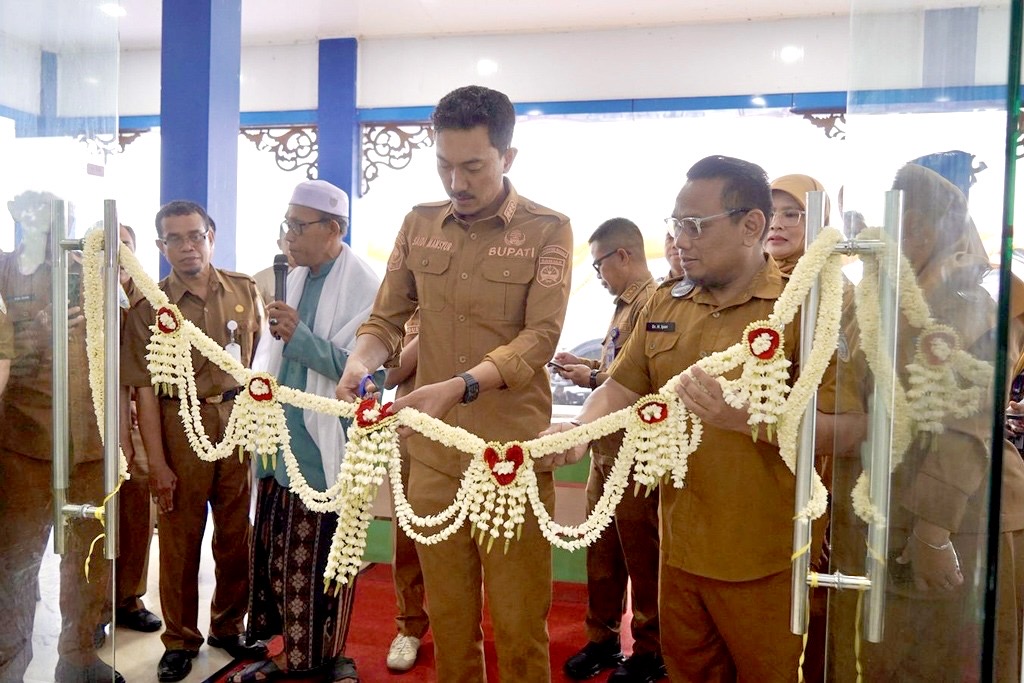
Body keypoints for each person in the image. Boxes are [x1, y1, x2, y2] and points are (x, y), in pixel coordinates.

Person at [542, 156, 855, 682]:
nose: (679, 240)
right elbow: (622, 385)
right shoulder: (668, 301)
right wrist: (579, 431)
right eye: (675, 224)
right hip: (679, 553)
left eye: (694, 226)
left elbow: (850, 430)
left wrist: (755, 420)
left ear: (750, 226)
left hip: (769, 560)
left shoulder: (807, 307)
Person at [335, 84, 573, 682]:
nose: (456, 182)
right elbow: (386, 319)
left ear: (507, 157)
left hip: (510, 459)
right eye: (444, 165)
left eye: (473, 166)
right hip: (433, 458)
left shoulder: (548, 230)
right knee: (448, 617)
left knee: (519, 624)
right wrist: (361, 361)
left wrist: (460, 385)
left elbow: (540, 337)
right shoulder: (419, 225)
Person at [829, 163, 1024, 682]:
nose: (861, 239)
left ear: (916, 228)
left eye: (874, 225)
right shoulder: (880, 300)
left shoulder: (968, 307)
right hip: (888, 510)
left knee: (948, 663)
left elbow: (969, 425)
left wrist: (932, 532)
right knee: (887, 660)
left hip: (957, 519)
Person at [231, 180, 380, 683]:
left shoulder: (366, 287)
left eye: (298, 226)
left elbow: (370, 377)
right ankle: (293, 654)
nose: (288, 235)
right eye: (287, 224)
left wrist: (302, 337)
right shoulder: (291, 279)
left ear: (333, 229)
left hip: (325, 452)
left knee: (321, 565)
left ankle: (319, 659)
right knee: (279, 561)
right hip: (280, 449)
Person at [121, 200, 265, 682]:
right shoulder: (150, 306)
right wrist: (157, 464)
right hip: (179, 423)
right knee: (180, 538)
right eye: (175, 239)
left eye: (195, 235)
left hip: (236, 421)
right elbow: (143, 391)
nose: (188, 246)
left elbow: (258, 360)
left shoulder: (243, 290)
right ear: (161, 246)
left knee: (235, 534)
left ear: (211, 236)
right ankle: (181, 639)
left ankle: (229, 625)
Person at [0, 190, 124, 682]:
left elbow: (117, 350)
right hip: (25, 442)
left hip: (89, 443)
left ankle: (78, 656)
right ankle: (10, 665)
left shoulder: (88, 272)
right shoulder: (4, 272)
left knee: (87, 559)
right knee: (16, 563)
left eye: (55, 218)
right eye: (33, 217)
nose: (45, 227)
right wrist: (34, 334)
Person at [554, 218, 664, 682]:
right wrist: (586, 366)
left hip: (637, 457)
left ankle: (651, 650)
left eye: (599, 264)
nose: (597, 274)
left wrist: (593, 378)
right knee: (601, 556)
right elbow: (617, 367)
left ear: (623, 255)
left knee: (643, 558)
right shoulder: (623, 306)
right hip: (605, 450)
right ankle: (601, 640)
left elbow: (645, 384)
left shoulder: (654, 303)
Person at [112, 224, 163, 635]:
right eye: (108, 248)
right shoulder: (84, 300)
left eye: (125, 245)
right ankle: (95, 607)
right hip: (95, 422)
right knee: (98, 515)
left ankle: (129, 598)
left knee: (137, 512)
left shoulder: (152, 301)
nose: (118, 254)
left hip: (140, 419)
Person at [381, 308, 430, 673]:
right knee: (407, 535)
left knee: (464, 538)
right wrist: (432, 329)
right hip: (411, 434)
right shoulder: (409, 307)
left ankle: (460, 626)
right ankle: (409, 626)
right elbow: (391, 375)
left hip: (466, 429)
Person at [766, 174, 831, 275]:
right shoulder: (743, 276)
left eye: (790, 215)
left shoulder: (832, 281)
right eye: (769, 214)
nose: (775, 224)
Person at [252, 224, 295, 308]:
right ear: (279, 244)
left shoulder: (311, 275)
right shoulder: (260, 280)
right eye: (287, 241)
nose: (291, 245)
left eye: (295, 240)